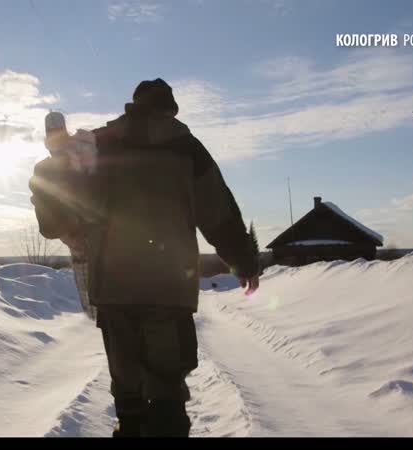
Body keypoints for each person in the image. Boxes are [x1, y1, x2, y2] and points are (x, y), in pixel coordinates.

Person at [29, 78, 260, 437]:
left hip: (113, 287)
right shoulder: (187, 148)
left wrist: (55, 167)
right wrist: (242, 261)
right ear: (170, 111)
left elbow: (53, 210)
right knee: (167, 390)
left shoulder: (100, 143)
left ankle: (131, 425)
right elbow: (219, 213)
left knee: (127, 389)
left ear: (133, 106)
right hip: (169, 288)